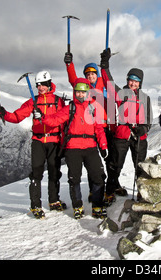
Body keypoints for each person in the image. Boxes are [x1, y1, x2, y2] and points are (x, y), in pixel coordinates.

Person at [0, 71, 66, 219]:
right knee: (36, 173)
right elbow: (17, 116)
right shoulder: (33, 102)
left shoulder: (58, 101)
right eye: (37, 85)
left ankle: (54, 200)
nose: (39, 87)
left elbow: (60, 120)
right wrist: (5, 114)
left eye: (42, 84)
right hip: (38, 141)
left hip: (54, 141)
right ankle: (35, 205)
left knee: (54, 172)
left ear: (48, 84)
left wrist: (45, 118)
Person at [37, 78, 108, 219]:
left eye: (83, 92)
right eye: (78, 92)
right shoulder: (69, 108)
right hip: (73, 147)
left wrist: (103, 145)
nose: (80, 95)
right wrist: (42, 117)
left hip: (91, 146)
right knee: (74, 178)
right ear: (74, 93)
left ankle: (97, 206)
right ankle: (77, 206)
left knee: (98, 177)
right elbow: (55, 119)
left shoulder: (93, 107)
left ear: (87, 92)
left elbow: (99, 128)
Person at [99, 48, 153, 201]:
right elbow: (109, 83)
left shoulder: (145, 98)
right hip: (122, 134)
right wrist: (105, 66)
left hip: (139, 136)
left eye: (136, 81)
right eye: (131, 79)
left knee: (141, 167)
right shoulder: (120, 93)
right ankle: (109, 192)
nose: (132, 83)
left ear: (140, 83)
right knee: (115, 165)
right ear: (127, 80)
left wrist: (145, 127)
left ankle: (142, 194)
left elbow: (149, 117)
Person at [64, 52, 115, 204]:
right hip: (92, 129)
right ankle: (95, 191)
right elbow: (73, 80)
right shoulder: (83, 88)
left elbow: (108, 79)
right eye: (88, 74)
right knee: (94, 163)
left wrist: (105, 63)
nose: (90, 76)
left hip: (105, 127)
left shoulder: (102, 83)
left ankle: (109, 189)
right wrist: (69, 65)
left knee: (109, 160)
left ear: (97, 75)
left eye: (93, 74)